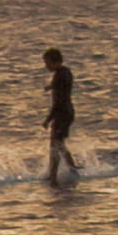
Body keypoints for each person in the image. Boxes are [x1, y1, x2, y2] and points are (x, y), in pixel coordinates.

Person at [42, 45, 78, 187]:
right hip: (68, 112)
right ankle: (72, 169)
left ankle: (53, 177)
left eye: (47, 63)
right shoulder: (65, 72)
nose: (46, 66)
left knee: (56, 145)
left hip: (62, 113)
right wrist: (51, 87)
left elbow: (58, 102)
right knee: (58, 144)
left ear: (55, 62)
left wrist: (47, 119)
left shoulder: (59, 76)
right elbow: (63, 86)